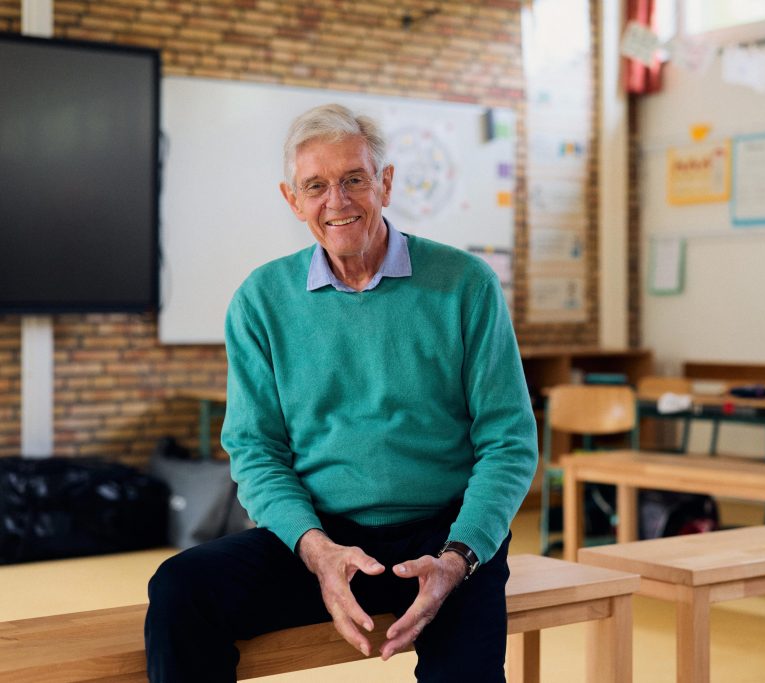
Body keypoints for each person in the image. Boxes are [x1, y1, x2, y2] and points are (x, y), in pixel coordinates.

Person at [144, 103, 538, 682]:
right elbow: (256, 450)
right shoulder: (260, 300)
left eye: (354, 179)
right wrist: (315, 549)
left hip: (444, 539)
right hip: (321, 537)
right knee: (181, 588)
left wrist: (460, 556)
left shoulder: (466, 284)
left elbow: (509, 442)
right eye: (316, 186)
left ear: (386, 183)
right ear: (292, 199)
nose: (337, 200)